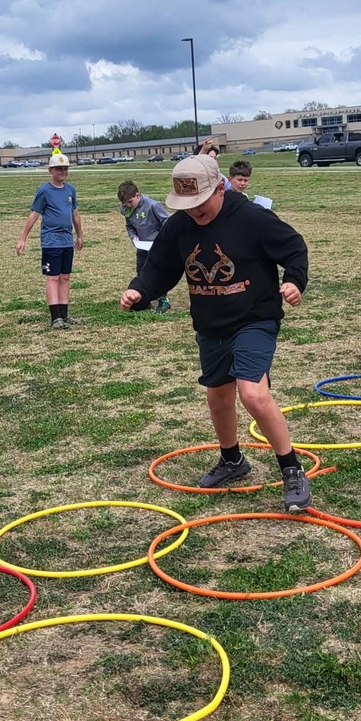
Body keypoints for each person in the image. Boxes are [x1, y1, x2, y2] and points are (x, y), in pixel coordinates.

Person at [119, 155, 312, 512]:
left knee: (252, 394)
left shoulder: (252, 217)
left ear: (220, 188)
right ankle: (233, 460)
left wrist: (294, 281)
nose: (194, 212)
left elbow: (295, 248)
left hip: (256, 317)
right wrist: (140, 291)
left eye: (200, 203)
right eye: (186, 206)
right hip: (210, 323)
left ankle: (292, 469)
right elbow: (159, 267)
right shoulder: (179, 226)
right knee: (218, 398)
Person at [16, 151, 84, 329]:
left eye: (65, 168)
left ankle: (64, 314)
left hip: (67, 241)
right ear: (50, 171)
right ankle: (55, 317)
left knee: (65, 277)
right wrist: (23, 238)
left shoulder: (71, 190)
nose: (62, 172)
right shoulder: (44, 191)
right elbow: (34, 214)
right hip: (51, 242)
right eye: (58, 169)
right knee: (53, 277)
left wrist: (80, 234)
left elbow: (74, 214)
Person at [117, 179, 171, 313]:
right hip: (142, 246)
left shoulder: (153, 205)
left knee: (159, 272)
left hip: (157, 245)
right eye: (125, 203)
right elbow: (129, 225)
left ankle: (163, 300)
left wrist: (161, 240)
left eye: (130, 202)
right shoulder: (126, 209)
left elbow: (167, 223)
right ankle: (143, 299)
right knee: (141, 271)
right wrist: (134, 237)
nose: (128, 206)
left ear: (138, 195)